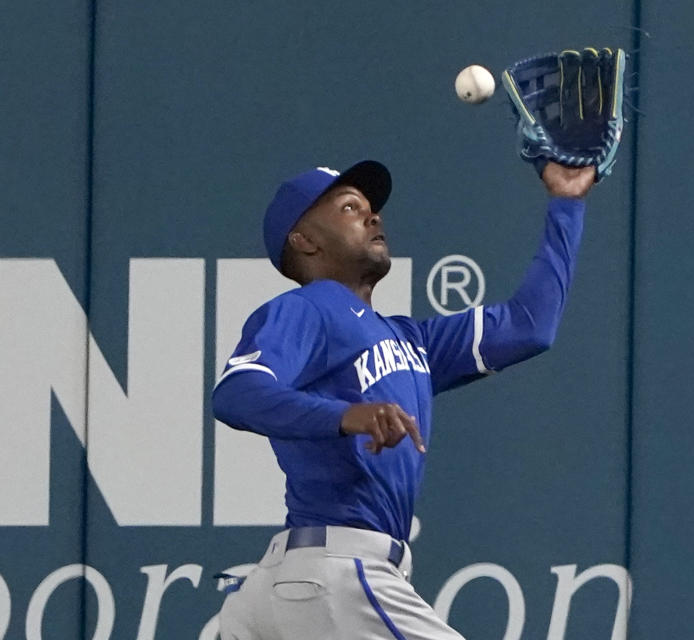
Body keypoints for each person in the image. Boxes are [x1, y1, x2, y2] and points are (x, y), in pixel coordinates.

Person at [213, 159, 596, 639]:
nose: (373, 217)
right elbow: (235, 393)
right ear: (305, 241)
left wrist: (567, 202)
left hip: (299, 585)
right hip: (333, 576)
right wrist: (346, 414)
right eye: (350, 208)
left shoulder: (410, 340)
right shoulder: (311, 307)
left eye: (372, 209)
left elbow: (530, 326)